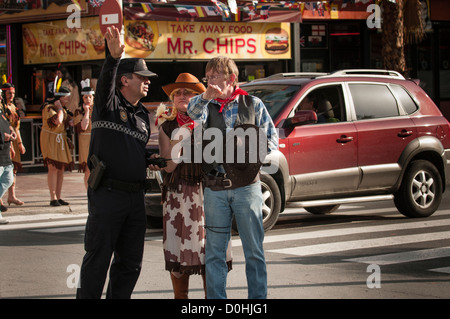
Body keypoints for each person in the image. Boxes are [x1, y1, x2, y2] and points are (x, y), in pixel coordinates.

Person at [76, 26, 158, 299]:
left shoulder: (144, 116)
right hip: (107, 194)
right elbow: (105, 83)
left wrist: (150, 159)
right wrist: (112, 59)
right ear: (124, 80)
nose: (147, 81)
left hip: (135, 198)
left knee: (130, 264)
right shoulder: (107, 104)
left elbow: (132, 150)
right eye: (141, 77)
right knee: (98, 260)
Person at [187, 56, 278, 299]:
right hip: (215, 187)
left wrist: (246, 152)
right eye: (208, 76)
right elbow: (190, 111)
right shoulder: (206, 105)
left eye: (215, 76)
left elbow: (272, 139)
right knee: (215, 253)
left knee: (254, 251)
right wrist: (206, 96)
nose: (210, 80)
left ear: (231, 78)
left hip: (247, 187)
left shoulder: (253, 103)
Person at [40, 82, 74, 207]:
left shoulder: (64, 110)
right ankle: (52, 197)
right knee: (53, 168)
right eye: (66, 97)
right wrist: (59, 108)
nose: (68, 99)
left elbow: (66, 122)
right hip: (50, 139)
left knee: (61, 168)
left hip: (60, 140)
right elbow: (57, 121)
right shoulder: (49, 108)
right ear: (60, 98)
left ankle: (59, 196)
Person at [1, 83, 26, 206]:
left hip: (14, 139)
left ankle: (12, 196)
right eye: (9, 93)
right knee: (4, 170)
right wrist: (10, 145)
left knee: (13, 170)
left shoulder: (13, 107)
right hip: (5, 142)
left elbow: (17, 128)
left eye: (13, 93)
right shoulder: (2, 109)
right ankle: (0, 199)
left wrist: (20, 143)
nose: (11, 96)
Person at [73, 79, 94, 189]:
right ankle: (88, 190)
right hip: (85, 141)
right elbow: (83, 126)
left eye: (90, 97)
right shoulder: (79, 111)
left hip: (96, 139)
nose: (88, 99)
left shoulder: (97, 109)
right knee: (88, 168)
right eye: (85, 97)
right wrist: (86, 112)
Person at [0, 102, 16, 224]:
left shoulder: (1, 112)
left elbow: (7, 124)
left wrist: (12, 131)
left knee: (8, 180)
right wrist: (2, 136)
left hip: (5, 154)